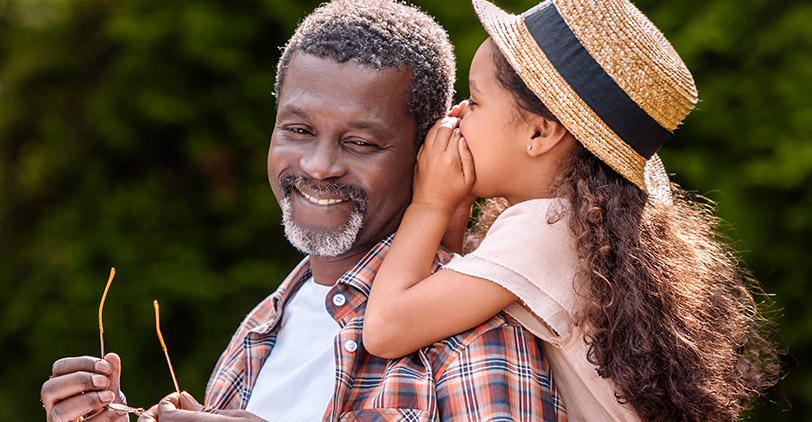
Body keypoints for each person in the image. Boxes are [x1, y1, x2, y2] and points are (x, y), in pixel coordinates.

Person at [41, 1, 568, 421]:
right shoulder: (260, 330)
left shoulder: (467, 330)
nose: (318, 166)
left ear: (429, 153)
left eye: (361, 142)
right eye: (298, 130)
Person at [363, 0, 779, 421]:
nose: (456, 114)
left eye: (475, 100)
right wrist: (453, 211)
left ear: (540, 132)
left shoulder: (543, 230)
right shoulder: (580, 229)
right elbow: (442, 316)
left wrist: (430, 202)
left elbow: (386, 328)